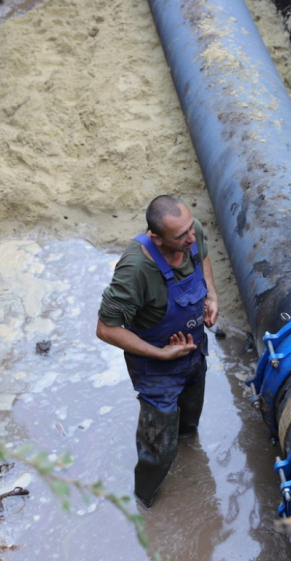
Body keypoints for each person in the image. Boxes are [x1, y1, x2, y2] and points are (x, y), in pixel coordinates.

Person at [96, 195, 219, 508]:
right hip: (157, 369)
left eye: (191, 230)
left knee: (189, 426)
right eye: (180, 237)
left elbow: (202, 254)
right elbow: (106, 328)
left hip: (193, 354)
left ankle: (190, 457)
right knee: (158, 451)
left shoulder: (192, 233)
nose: (190, 238)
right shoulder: (135, 269)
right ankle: (146, 503)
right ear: (156, 237)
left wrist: (212, 296)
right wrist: (161, 354)